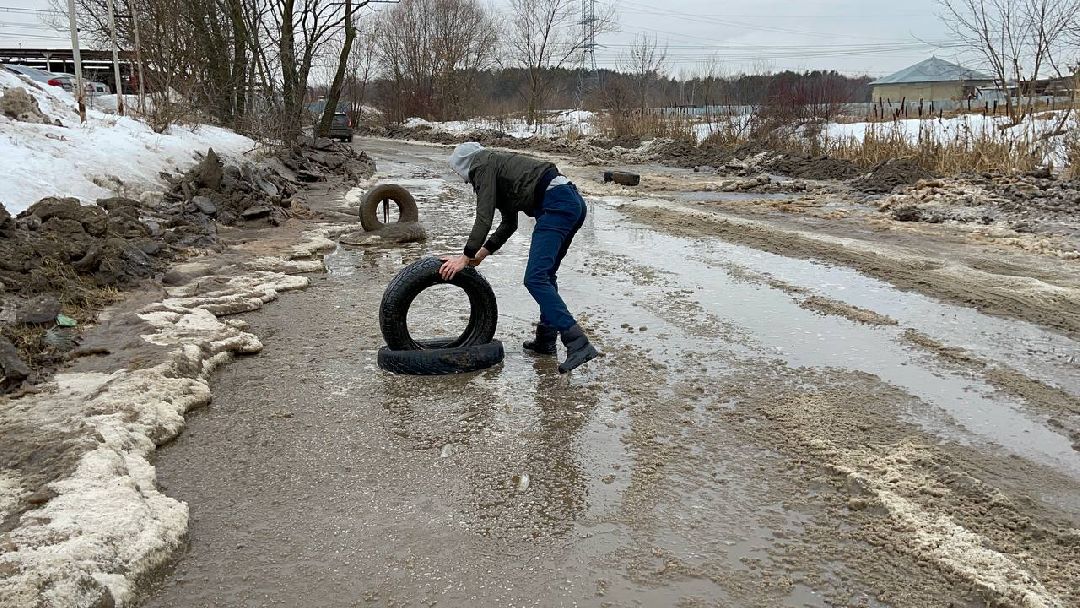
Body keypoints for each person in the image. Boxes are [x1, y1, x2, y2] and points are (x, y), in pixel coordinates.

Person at [439, 142, 600, 374]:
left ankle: (577, 342)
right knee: (545, 275)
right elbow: (509, 223)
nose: (465, 181)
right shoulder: (497, 166)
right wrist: (481, 254)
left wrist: (464, 256)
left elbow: (483, 217)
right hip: (570, 202)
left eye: (460, 174)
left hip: (556, 204)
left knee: (535, 279)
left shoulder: (482, 166)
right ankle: (545, 340)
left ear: (465, 165)